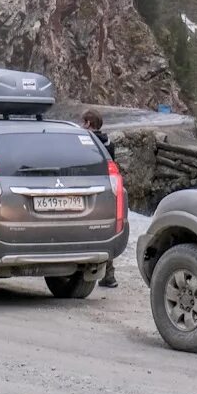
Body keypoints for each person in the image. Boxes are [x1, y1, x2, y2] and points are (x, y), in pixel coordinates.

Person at [81, 110, 120, 289]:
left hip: (85, 190)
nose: (82, 125)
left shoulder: (84, 141)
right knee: (105, 231)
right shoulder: (108, 142)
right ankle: (109, 275)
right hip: (105, 190)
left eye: (83, 122)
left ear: (89, 123)